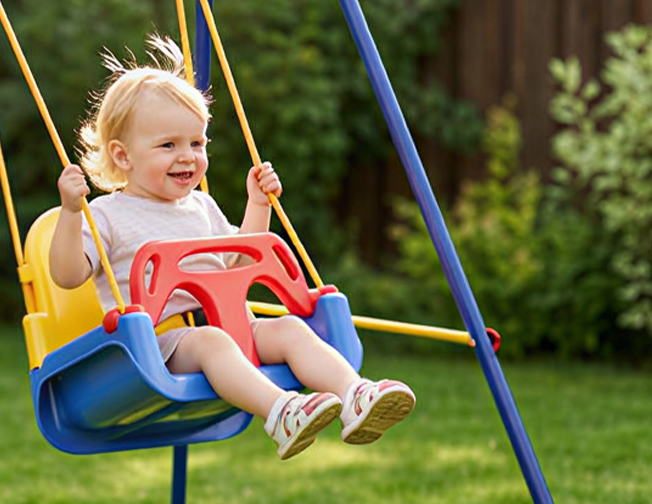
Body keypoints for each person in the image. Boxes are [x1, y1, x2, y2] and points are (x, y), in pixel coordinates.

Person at [51, 38, 415, 461]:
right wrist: (71, 211)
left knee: (290, 330)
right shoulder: (108, 214)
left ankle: (355, 395)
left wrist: (258, 205)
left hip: (231, 325)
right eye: (168, 145)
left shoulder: (202, 206)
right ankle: (280, 412)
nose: (187, 156)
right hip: (161, 345)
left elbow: (241, 258)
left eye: (197, 143)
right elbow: (68, 273)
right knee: (211, 343)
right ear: (123, 156)